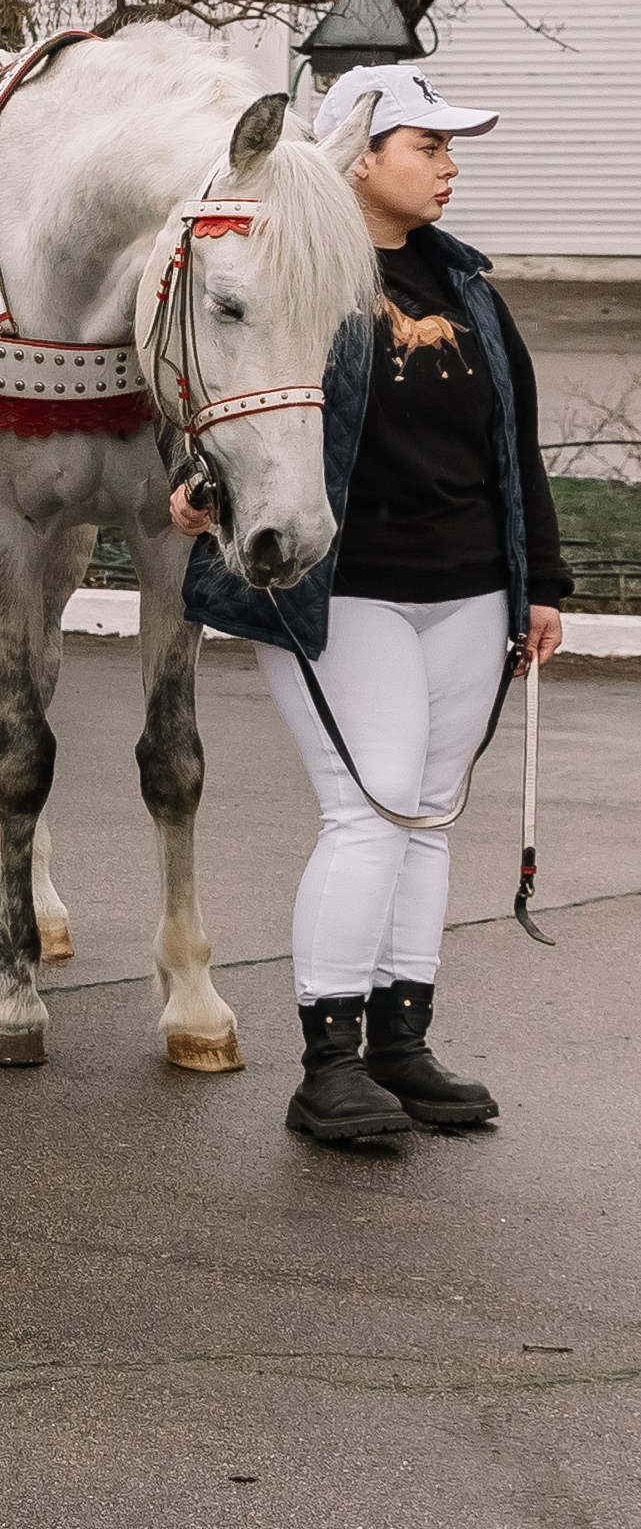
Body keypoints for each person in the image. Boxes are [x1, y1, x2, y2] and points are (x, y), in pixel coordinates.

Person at [178, 63, 569, 1148]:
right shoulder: (300, 272)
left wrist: (538, 581)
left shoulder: (464, 283)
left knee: (430, 807)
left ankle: (402, 1040)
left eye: (450, 149)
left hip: (468, 584)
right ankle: (329, 1062)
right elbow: (237, 390)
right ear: (361, 153)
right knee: (376, 800)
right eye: (427, 146)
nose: (449, 167)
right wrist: (204, 482)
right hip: (345, 585)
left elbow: (512, 439)